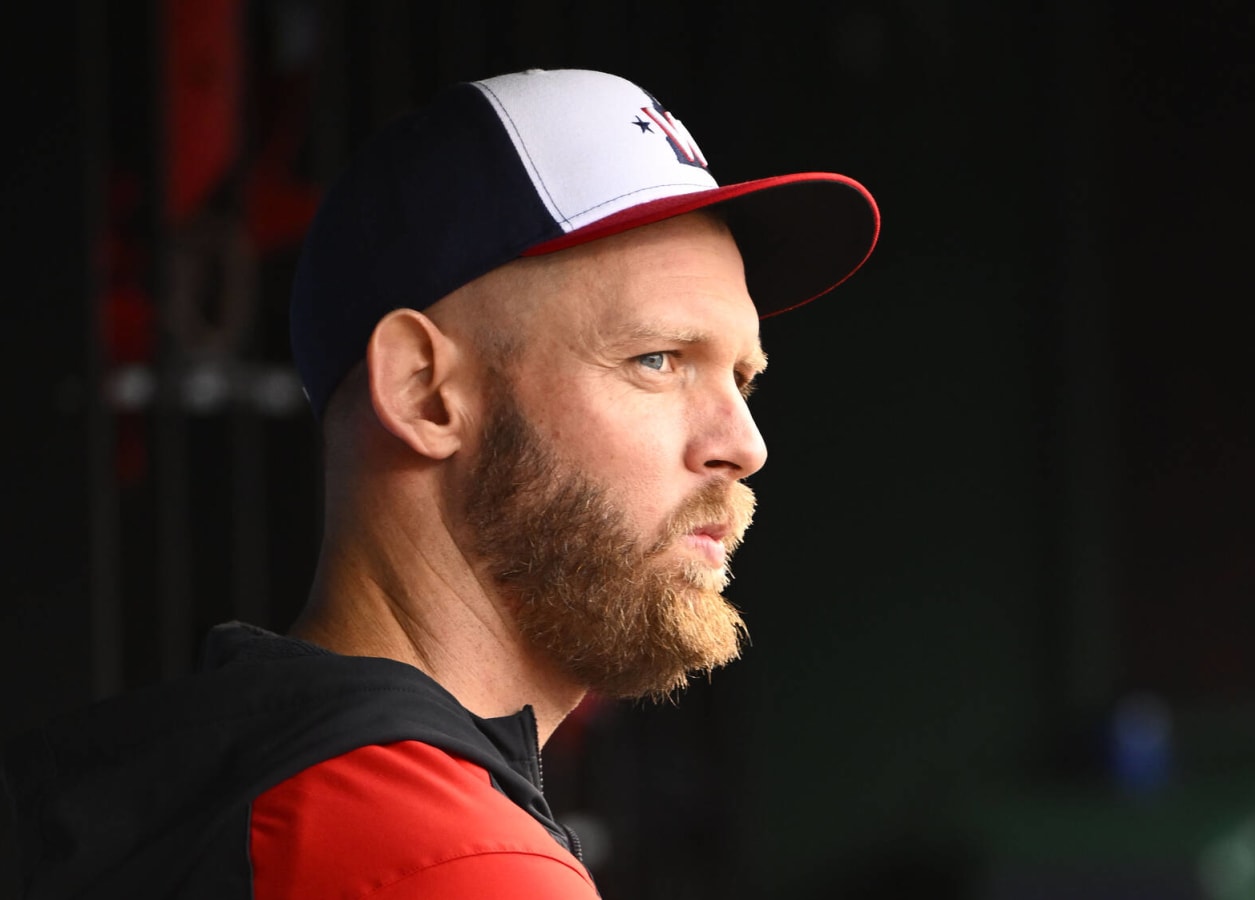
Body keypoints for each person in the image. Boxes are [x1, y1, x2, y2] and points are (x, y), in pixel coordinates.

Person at [3, 67, 878, 899]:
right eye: (657, 360)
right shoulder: (448, 862)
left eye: (744, 378)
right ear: (424, 390)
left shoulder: (218, 782)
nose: (744, 444)